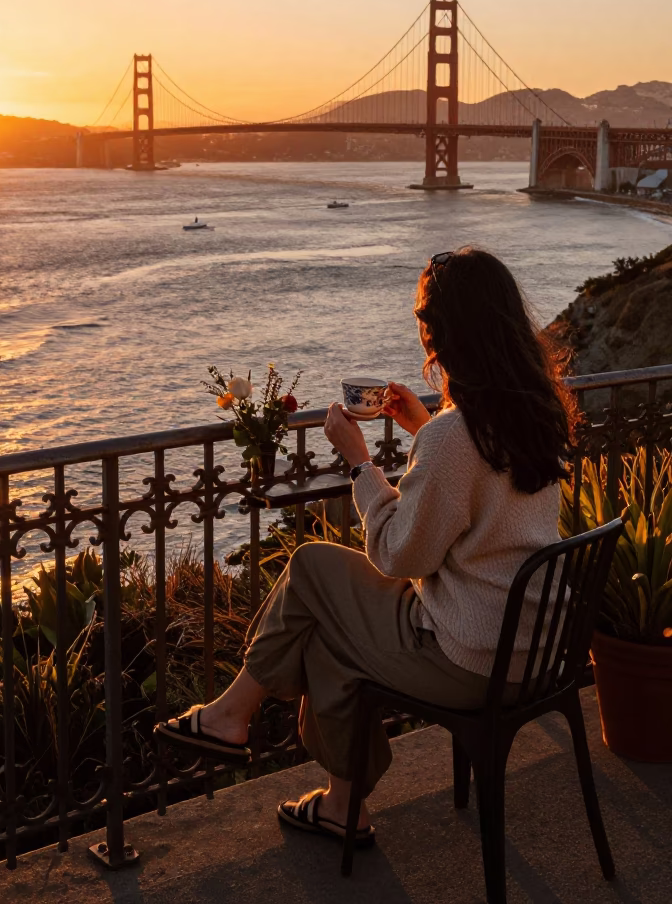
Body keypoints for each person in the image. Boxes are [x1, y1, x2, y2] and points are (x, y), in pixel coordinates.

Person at [155, 247, 575, 849]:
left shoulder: (458, 436)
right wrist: (424, 430)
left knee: (310, 567)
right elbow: (480, 487)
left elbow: (402, 555)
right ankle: (335, 805)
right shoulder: (532, 413)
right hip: (533, 649)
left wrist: (360, 462)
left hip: (472, 657)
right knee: (331, 632)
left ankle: (235, 719)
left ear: (444, 333)